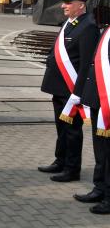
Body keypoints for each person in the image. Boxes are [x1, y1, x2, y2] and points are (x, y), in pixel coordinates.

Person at [38, 0, 99, 182]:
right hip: (59, 87)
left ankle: (72, 169)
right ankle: (60, 161)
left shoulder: (88, 26)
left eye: (68, 3)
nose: (63, 6)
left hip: (72, 89)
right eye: (64, 2)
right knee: (61, 127)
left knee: (72, 131)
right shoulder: (70, 22)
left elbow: (86, 63)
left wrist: (78, 92)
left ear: (81, 5)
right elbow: (56, 47)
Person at [75, 11, 110, 214]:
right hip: (99, 100)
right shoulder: (105, 30)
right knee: (100, 151)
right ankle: (99, 188)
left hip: (108, 103)